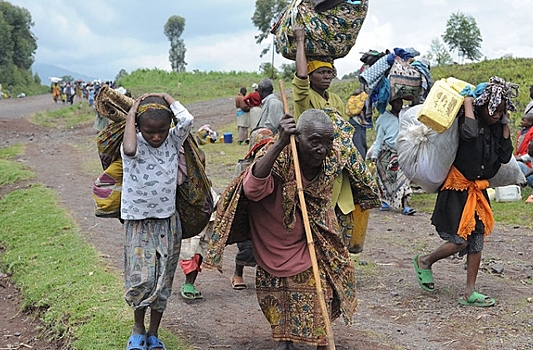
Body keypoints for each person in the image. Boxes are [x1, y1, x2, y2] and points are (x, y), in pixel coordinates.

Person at [205, 110, 379, 350]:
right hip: (274, 240)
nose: (322, 149)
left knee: (324, 293)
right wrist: (280, 144)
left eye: (328, 141)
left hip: (314, 237)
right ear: (298, 138)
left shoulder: (332, 158)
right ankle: (285, 341)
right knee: (279, 303)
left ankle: (320, 341)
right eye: (314, 141)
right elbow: (253, 189)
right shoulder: (279, 157)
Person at [413, 76, 516, 307]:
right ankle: (425, 261)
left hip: (477, 192)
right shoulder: (466, 122)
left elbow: (506, 156)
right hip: (456, 190)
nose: (497, 115)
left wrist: (505, 123)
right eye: (495, 110)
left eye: (501, 111)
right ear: (481, 106)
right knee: (460, 242)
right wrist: (468, 102)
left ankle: (470, 292)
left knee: (477, 241)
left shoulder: (496, 128)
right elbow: (469, 134)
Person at [120, 92, 194, 350]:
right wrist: (132, 113)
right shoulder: (133, 143)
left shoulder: (173, 142)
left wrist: (168, 98)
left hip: (167, 222)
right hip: (138, 223)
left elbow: (187, 121)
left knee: (163, 280)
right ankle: (137, 330)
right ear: (139, 127)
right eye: (150, 131)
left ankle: (153, 334)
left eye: (161, 130)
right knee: (141, 278)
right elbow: (129, 149)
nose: (156, 137)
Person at [292, 25, 370, 248]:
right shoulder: (304, 98)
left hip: (339, 171)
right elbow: (300, 78)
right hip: (313, 168)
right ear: (311, 75)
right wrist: (300, 41)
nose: (326, 76)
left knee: (341, 224)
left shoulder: (335, 100)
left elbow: (342, 135)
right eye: (321, 72)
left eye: (329, 72)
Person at [230, 128, 274, 290]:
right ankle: (237, 272)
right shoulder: (243, 166)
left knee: (268, 246)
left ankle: (267, 277)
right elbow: (236, 190)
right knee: (247, 246)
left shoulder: (275, 164)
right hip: (247, 212)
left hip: (267, 214)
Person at [368, 98, 415, 215]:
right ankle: (385, 201)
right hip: (386, 153)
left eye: (401, 102)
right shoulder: (383, 118)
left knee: (403, 179)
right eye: (397, 102)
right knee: (384, 179)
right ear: (391, 103)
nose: (399, 105)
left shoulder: (406, 116)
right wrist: (374, 154)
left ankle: (406, 206)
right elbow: (379, 138)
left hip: (402, 153)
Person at [345, 88, 369, 158]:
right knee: (359, 146)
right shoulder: (359, 99)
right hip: (357, 123)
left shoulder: (352, 100)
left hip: (355, 122)